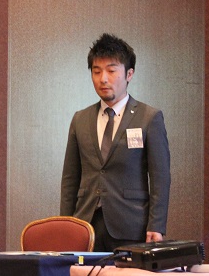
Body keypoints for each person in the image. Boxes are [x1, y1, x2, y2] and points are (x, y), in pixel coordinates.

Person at [60, 33, 170, 252]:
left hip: (131, 225)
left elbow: (160, 177)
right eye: (96, 71)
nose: (103, 79)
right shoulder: (80, 119)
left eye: (111, 71)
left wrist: (156, 225)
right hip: (86, 225)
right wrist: (66, 225)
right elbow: (70, 178)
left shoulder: (149, 117)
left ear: (129, 74)